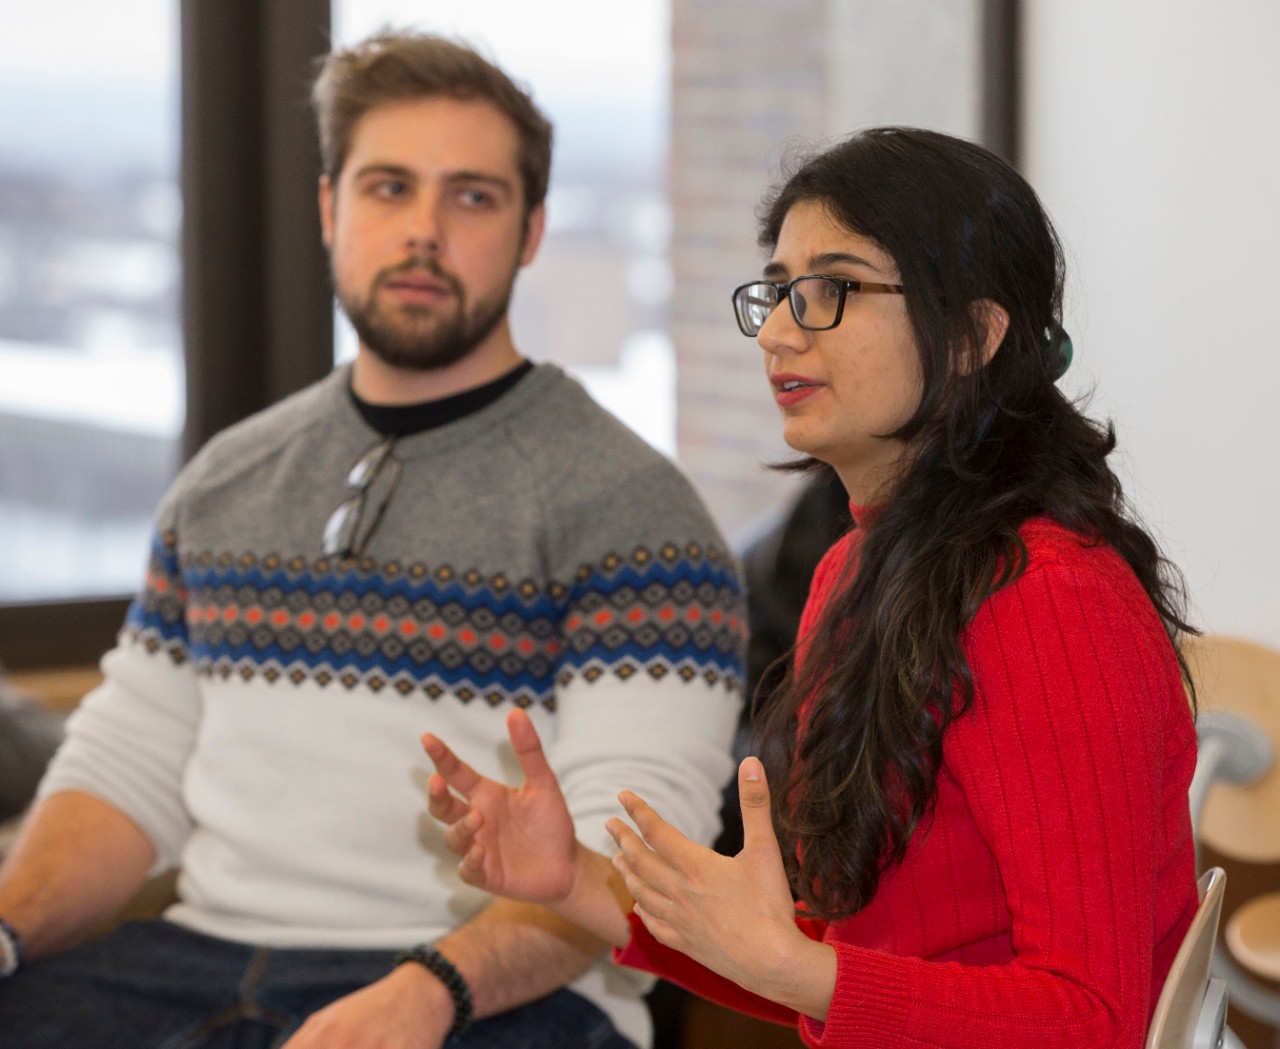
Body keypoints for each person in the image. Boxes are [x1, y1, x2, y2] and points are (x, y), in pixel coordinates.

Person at [0, 31, 746, 1049]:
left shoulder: (636, 513)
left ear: (530, 231)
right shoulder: (225, 480)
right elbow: (123, 774)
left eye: (472, 197)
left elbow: (634, 852)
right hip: (192, 960)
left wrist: (427, 988)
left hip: (501, 991)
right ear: (329, 209)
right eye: (388, 187)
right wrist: (5, 931)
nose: (424, 231)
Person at [421, 126, 1202, 1049]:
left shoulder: (1048, 598)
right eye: (781, 289)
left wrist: (799, 966)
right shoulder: (855, 568)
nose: (783, 330)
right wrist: (573, 879)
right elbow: (843, 970)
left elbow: (1091, 1019)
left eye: (833, 288)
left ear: (974, 336)